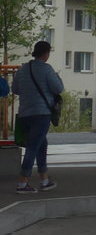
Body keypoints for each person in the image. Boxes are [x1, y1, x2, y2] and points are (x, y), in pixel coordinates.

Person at [12, 40, 64, 194]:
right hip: (41, 114)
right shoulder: (47, 69)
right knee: (33, 147)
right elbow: (58, 88)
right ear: (46, 53)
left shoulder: (22, 69)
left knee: (41, 145)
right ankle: (22, 183)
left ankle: (44, 180)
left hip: (24, 114)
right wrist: (56, 76)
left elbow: (15, 89)